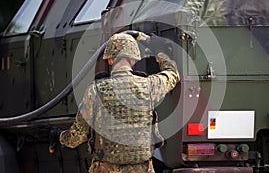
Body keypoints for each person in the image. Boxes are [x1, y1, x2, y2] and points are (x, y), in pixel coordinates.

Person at [59, 32, 180, 173]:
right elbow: (172, 73)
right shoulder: (149, 86)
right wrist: (160, 51)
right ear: (134, 60)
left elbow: (76, 137)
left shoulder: (95, 91)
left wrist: (59, 137)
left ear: (110, 60)